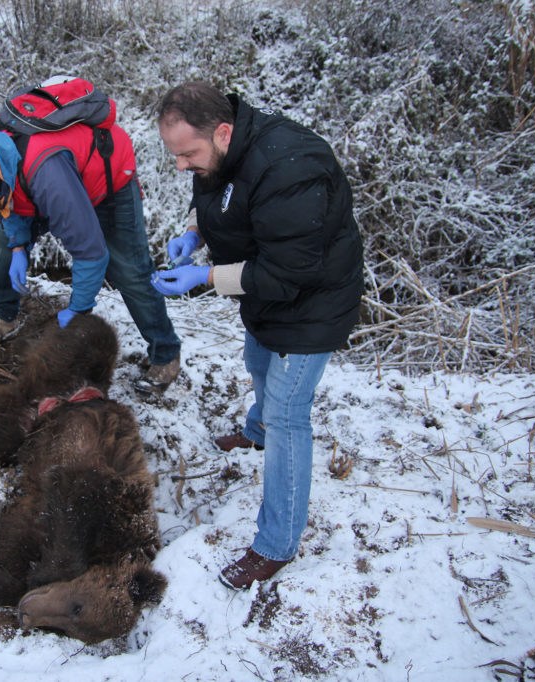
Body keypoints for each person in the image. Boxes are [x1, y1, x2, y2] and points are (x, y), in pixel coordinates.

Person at [152, 82, 364, 589]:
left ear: (222, 132)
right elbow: (215, 195)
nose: (182, 166)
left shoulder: (292, 166)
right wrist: (193, 233)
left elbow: (288, 272)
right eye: (175, 156)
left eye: (188, 155)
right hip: (268, 295)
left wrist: (204, 277)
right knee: (257, 361)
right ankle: (257, 431)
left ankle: (276, 544)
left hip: (313, 299)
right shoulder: (222, 151)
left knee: (289, 414)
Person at [0, 106, 182, 391]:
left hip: (105, 182)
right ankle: (3, 317)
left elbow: (91, 252)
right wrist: (17, 248)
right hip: (34, 181)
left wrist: (78, 308)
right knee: (2, 242)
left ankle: (166, 355)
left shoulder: (48, 175)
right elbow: (7, 201)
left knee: (129, 271)